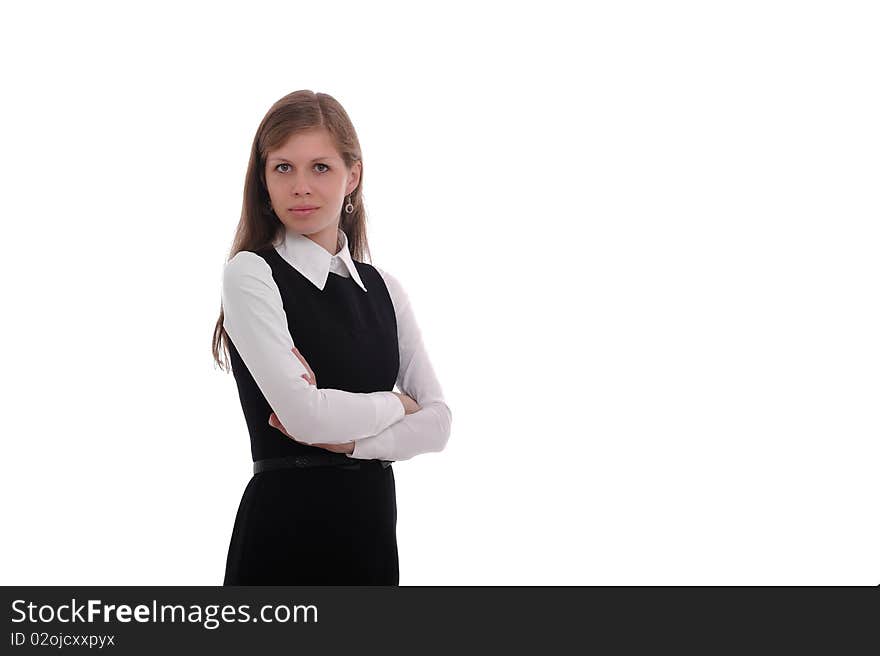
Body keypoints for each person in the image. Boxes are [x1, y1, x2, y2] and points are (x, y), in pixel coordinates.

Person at [211, 90, 452, 585]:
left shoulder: (384, 289)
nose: (301, 187)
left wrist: (354, 443)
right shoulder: (252, 274)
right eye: (283, 168)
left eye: (320, 167)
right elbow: (303, 417)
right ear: (263, 178)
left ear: (352, 176)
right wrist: (396, 405)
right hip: (284, 539)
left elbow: (440, 424)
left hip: (372, 539)